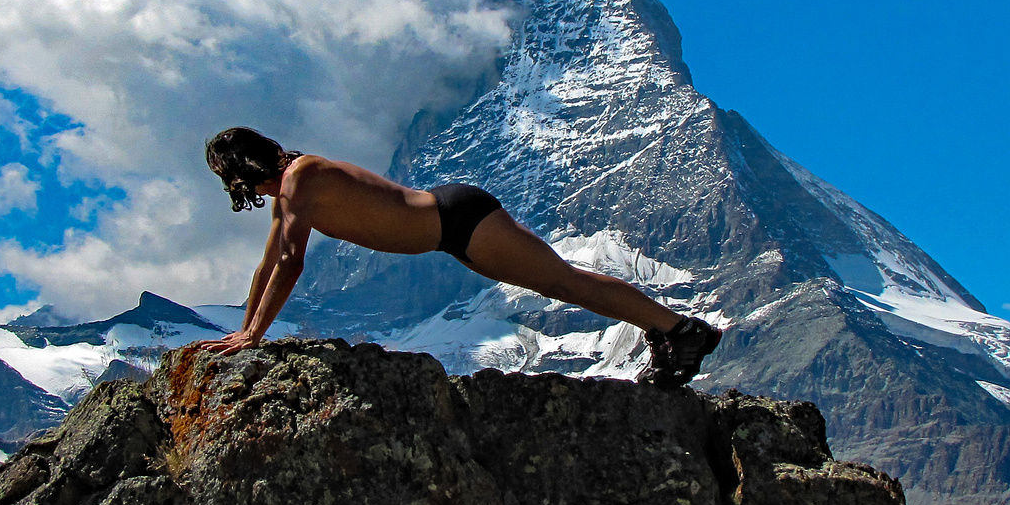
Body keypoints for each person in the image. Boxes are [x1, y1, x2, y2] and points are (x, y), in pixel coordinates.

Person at [193, 127, 722, 387]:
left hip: (458, 218)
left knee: (565, 284)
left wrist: (253, 337)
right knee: (562, 282)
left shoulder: (301, 177)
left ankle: (681, 331)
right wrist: (244, 330)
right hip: (451, 233)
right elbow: (269, 266)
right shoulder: (288, 192)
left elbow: (290, 264)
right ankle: (671, 329)